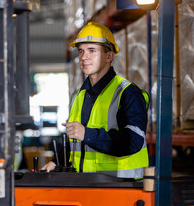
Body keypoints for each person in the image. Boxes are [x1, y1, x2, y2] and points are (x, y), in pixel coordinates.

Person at [41, 22, 149, 179]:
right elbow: (75, 142)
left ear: (109, 56)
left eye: (92, 51)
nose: (84, 57)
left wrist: (87, 134)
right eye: (81, 51)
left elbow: (133, 142)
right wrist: (56, 162)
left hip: (121, 187)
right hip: (86, 185)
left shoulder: (127, 92)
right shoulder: (78, 96)